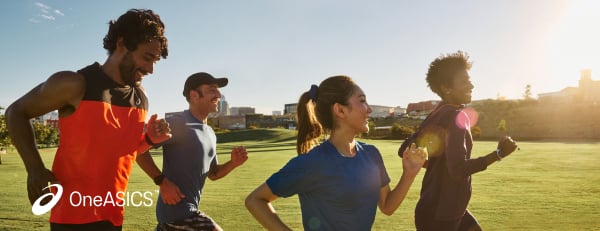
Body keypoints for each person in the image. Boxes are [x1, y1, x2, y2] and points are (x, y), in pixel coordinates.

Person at [5, 9, 171, 231]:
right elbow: (15, 112)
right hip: (71, 219)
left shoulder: (141, 98)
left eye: (155, 61)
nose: (151, 69)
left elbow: (126, 152)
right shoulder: (73, 84)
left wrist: (150, 139)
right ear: (122, 43)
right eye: (147, 58)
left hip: (113, 216)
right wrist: (34, 168)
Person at [245, 75, 427, 230]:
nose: (369, 109)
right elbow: (256, 200)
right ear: (340, 110)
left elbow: (387, 206)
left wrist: (409, 174)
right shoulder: (312, 162)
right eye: (362, 101)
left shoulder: (371, 154)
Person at [398, 51, 518, 231]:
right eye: (464, 81)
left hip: (441, 208)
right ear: (447, 88)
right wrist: (498, 154)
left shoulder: (437, 114)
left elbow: (404, 150)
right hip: (442, 217)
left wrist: (437, 163)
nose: (471, 85)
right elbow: (458, 169)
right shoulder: (456, 116)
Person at [136, 72, 249, 231]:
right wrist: (161, 181)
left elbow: (213, 173)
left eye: (217, 90)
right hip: (178, 212)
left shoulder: (210, 132)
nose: (218, 94)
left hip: (175, 215)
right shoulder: (176, 123)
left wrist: (233, 163)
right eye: (212, 90)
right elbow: (139, 150)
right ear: (194, 95)